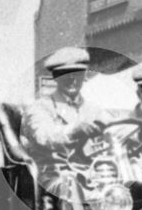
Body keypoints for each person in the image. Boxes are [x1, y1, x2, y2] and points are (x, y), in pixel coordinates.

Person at [23, 46, 108, 199]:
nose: (72, 79)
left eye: (77, 73)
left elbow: (115, 129)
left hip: (92, 175)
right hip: (56, 177)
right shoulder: (40, 107)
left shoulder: (93, 109)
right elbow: (43, 135)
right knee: (76, 188)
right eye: (65, 74)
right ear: (55, 76)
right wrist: (74, 130)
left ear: (85, 75)